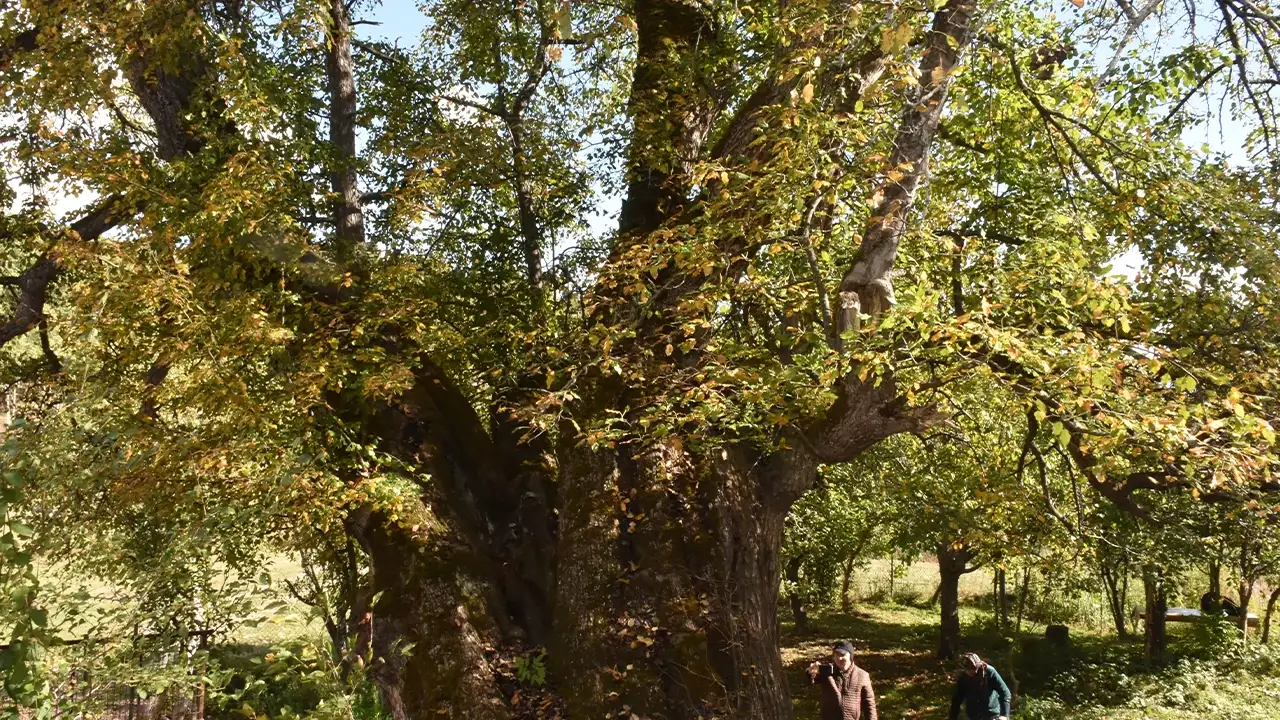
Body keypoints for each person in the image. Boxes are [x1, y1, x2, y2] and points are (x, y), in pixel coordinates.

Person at [807, 640, 878, 720]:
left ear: (850, 656)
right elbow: (810, 680)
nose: (839, 658)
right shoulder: (828, 671)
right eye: (836, 655)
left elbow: (869, 703)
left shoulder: (862, 675)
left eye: (842, 655)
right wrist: (811, 673)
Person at [948, 652, 1011, 720]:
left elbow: (1005, 692)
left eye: (973, 668)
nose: (971, 672)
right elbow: (957, 700)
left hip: (992, 715)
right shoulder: (963, 678)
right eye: (968, 669)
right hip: (973, 716)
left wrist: (1005, 715)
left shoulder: (990, 672)